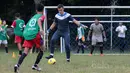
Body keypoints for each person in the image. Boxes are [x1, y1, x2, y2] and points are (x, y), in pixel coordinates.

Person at [14, 3, 45, 73]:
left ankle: (17, 65)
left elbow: (27, 25)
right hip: (35, 34)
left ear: (36, 10)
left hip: (27, 34)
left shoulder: (33, 17)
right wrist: (41, 29)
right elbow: (39, 21)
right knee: (42, 49)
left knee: (25, 52)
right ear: (43, 10)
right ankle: (35, 65)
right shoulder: (42, 16)